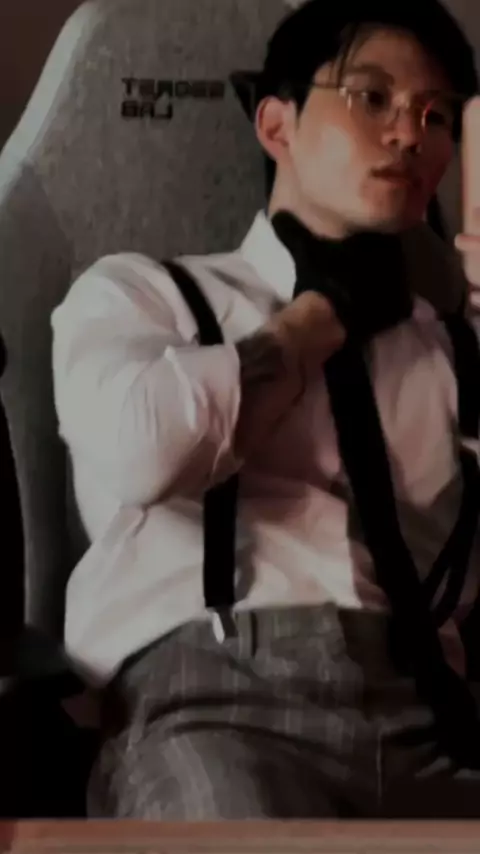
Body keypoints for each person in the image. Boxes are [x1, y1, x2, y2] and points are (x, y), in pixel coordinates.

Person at [52, 0, 480, 819]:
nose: (409, 134)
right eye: (373, 98)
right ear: (277, 125)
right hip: (215, 705)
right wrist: (322, 316)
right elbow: (145, 454)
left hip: (430, 711)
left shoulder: (449, 348)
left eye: (436, 116)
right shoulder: (143, 294)